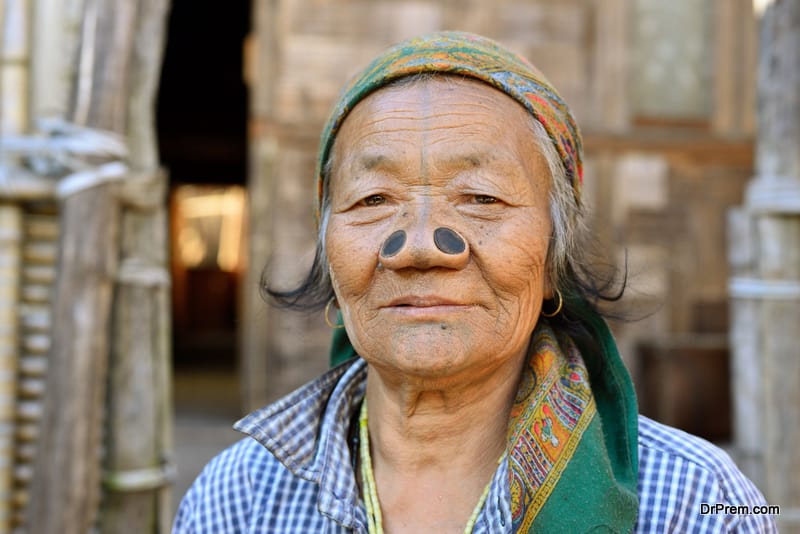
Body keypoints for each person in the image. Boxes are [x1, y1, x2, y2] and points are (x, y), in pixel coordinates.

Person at [173, 31, 777, 533]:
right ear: (331, 260)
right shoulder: (236, 499)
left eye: (482, 197)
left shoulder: (705, 501)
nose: (418, 246)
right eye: (374, 199)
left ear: (550, 261)